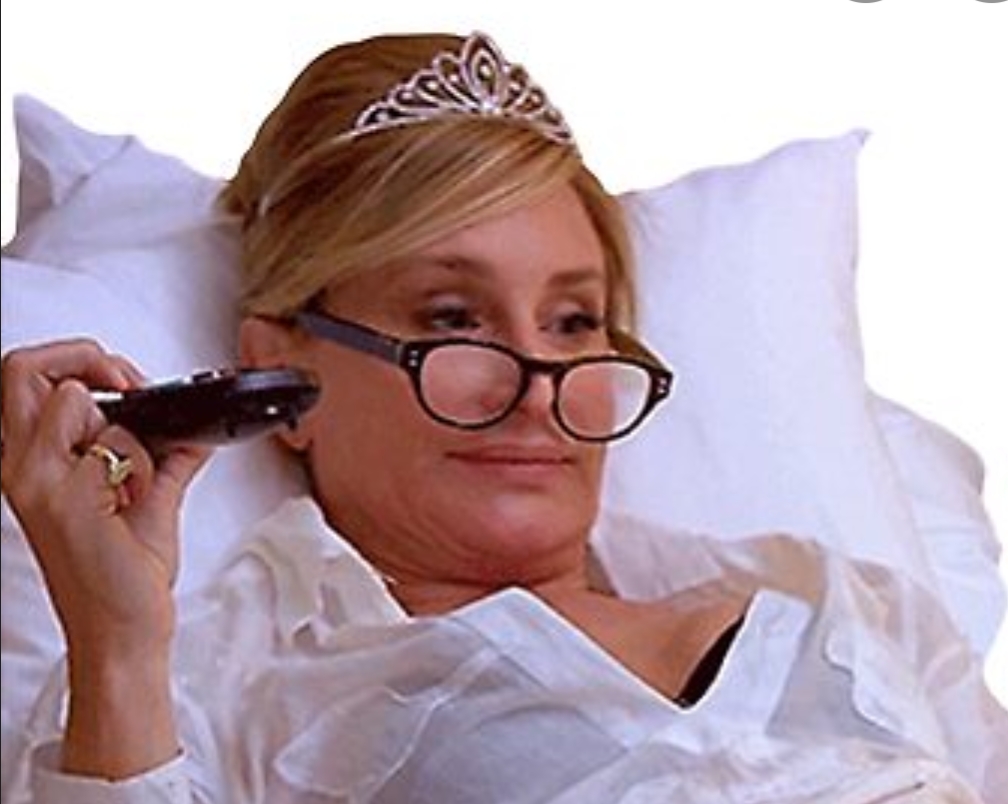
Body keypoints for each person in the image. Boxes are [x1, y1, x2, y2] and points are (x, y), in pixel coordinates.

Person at [1, 30, 1005, 804]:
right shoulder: (217, 685)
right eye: (452, 318)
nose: (536, 384)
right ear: (281, 372)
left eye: (574, 321)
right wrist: (116, 645)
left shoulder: (850, 600)